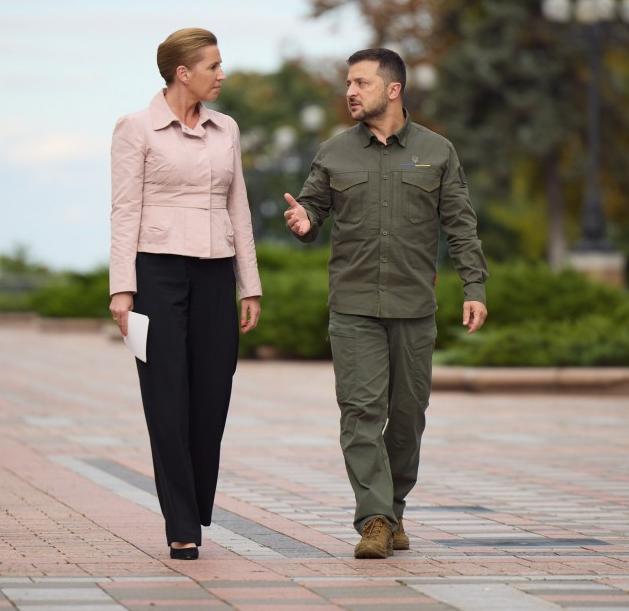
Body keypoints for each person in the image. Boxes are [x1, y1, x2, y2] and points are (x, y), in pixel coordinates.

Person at [283, 48, 488, 559]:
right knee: (359, 413)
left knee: (407, 417)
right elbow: (311, 205)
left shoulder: (437, 152)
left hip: (413, 308)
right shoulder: (333, 153)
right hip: (352, 308)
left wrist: (474, 288)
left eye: (361, 83)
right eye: (348, 82)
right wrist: (305, 221)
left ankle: (393, 507)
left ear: (392, 89)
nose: (350, 91)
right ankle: (373, 519)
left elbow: (460, 225)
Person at [109, 28, 262, 560]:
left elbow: (237, 206)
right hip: (156, 277)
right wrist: (122, 290)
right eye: (214, 66)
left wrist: (251, 284)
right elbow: (124, 209)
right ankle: (181, 523)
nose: (222, 75)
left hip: (218, 275)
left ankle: (194, 503)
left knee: (213, 393)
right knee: (167, 396)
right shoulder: (136, 128)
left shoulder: (228, 130)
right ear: (183, 73)